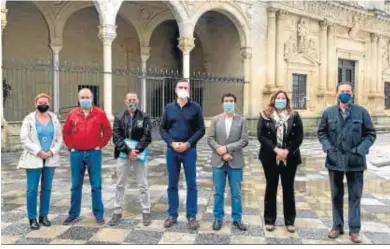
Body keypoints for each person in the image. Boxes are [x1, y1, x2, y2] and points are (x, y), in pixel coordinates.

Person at [317, 82, 376, 243]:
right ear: (337, 94)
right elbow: (322, 133)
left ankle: (355, 230)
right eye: (342, 91)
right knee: (336, 195)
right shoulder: (328, 113)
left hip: (355, 160)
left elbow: (371, 134)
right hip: (334, 160)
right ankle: (337, 226)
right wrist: (328, 148)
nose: (345, 94)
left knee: (355, 196)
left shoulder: (361, 112)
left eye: (348, 91)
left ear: (353, 94)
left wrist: (361, 150)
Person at [62, 88, 112, 225]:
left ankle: (98, 214)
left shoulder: (100, 114)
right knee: (75, 185)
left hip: (93, 153)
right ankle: (73, 214)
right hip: (76, 153)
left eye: (87, 97)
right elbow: (65, 132)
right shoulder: (72, 114)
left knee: (96, 185)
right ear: (78, 99)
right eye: (82, 97)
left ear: (92, 98)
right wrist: (70, 146)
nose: (85, 99)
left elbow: (107, 131)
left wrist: (100, 145)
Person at [160, 79, 205, 230]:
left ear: (189, 90)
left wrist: (188, 144)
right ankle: (172, 215)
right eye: (180, 87)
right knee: (172, 183)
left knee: (191, 184)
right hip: (172, 150)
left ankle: (191, 216)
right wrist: (172, 143)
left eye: (185, 87)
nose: (183, 89)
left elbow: (201, 129)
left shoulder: (196, 108)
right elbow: (163, 129)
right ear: (175, 89)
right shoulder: (169, 108)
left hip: (189, 150)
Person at [257, 90, 304, 233]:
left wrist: (287, 151)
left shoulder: (294, 116)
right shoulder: (265, 115)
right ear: (273, 99)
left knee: (288, 188)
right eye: (278, 98)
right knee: (271, 187)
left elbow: (299, 137)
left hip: (290, 157)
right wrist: (276, 150)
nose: (281, 100)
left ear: (287, 100)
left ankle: (290, 221)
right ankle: (269, 220)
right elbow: (261, 136)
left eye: (283, 98)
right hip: (270, 157)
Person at [18, 93, 63, 230]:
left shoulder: (54, 119)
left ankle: (43, 216)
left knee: (47, 188)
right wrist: (39, 151)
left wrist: (51, 152)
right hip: (34, 158)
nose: (43, 105)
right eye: (40, 102)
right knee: (32, 189)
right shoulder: (29, 119)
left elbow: (60, 139)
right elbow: (24, 139)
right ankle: (32, 218)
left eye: (46, 102)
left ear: (49, 104)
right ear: (35, 104)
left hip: (50, 159)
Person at [109, 93, 152, 226]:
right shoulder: (119, 116)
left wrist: (136, 150)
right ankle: (117, 211)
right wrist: (128, 151)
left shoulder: (144, 116)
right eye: (129, 100)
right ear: (125, 101)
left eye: (134, 100)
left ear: (138, 100)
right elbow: (116, 137)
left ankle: (146, 211)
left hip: (140, 154)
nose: (132, 102)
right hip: (123, 154)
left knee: (143, 184)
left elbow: (147, 136)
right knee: (120, 184)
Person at [207, 93, 249, 231]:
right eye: (226, 101)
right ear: (222, 103)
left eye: (231, 101)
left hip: (235, 161)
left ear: (235, 103)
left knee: (236, 192)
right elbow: (210, 138)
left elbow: (244, 140)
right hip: (218, 161)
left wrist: (227, 149)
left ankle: (237, 219)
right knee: (218, 192)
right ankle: (218, 218)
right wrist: (220, 150)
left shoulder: (242, 120)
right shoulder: (215, 119)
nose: (229, 103)